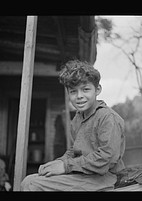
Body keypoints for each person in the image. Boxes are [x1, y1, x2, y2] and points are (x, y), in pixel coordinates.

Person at [21, 59, 125, 191]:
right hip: (84, 173)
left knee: (33, 186)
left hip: (104, 177)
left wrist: (66, 166)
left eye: (85, 89)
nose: (79, 96)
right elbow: (75, 150)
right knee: (28, 180)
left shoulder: (107, 118)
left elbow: (107, 159)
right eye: (73, 91)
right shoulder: (77, 118)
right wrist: (60, 161)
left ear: (97, 90)